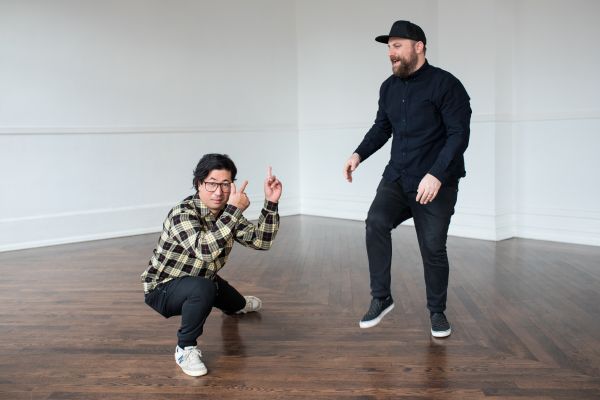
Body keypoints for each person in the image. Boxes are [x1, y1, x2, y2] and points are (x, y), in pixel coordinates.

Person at [343, 20, 471, 338]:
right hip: (398, 177)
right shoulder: (388, 87)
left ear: (419, 46)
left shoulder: (446, 85)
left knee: (432, 247)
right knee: (375, 222)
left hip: (435, 182)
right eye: (389, 47)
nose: (391, 53)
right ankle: (381, 298)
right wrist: (358, 154)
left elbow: (459, 135)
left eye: (397, 45)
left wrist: (436, 175)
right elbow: (382, 128)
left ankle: (437, 313)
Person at [141, 153, 282, 376]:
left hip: (204, 279)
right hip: (163, 289)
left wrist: (271, 203)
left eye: (225, 184)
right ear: (199, 184)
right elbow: (205, 251)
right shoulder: (183, 213)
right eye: (211, 184)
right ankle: (185, 348)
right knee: (203, 288)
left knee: (228, 299)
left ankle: (237, 305)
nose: (219, 192)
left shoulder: (226, 214)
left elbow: (261, 242)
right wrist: (234, 211)